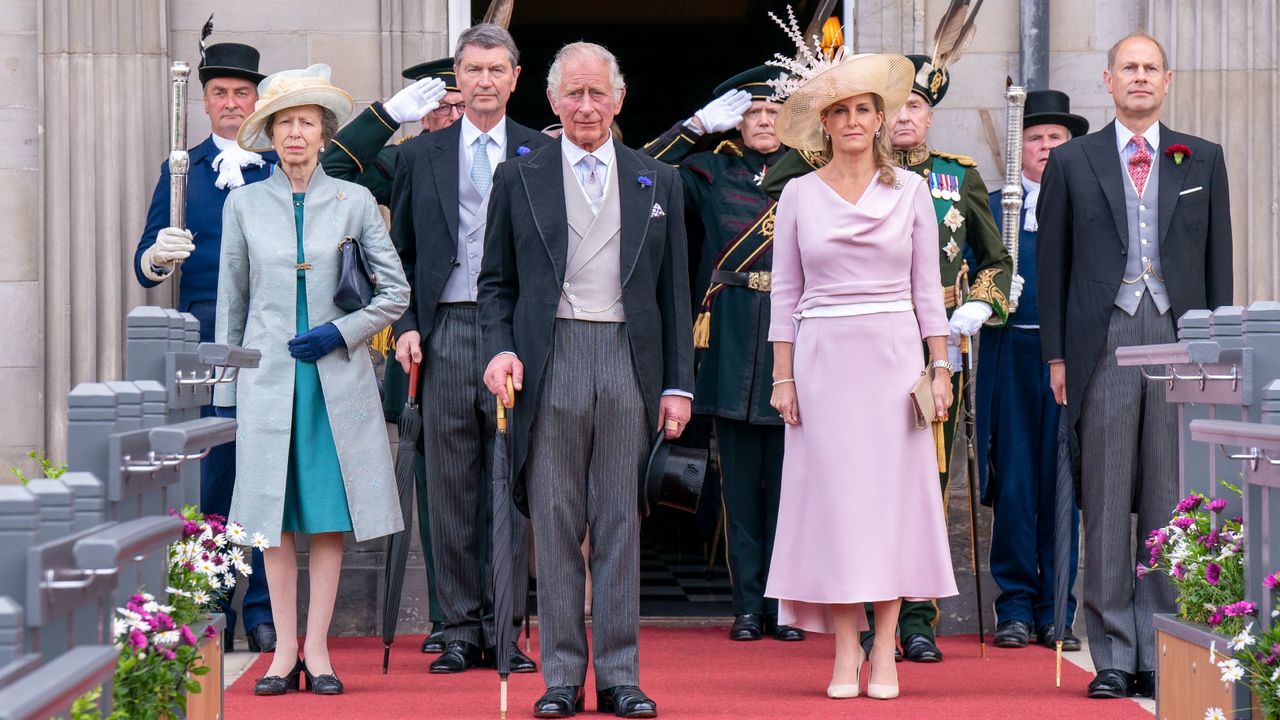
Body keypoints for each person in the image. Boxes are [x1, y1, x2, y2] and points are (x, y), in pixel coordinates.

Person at [764, 52, 1013, 664]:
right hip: (822, 358)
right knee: (838, 505)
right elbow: (786, 292)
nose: (853, 121)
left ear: (881, 119)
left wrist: (940, 367)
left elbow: (928, 290)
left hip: (895, 357)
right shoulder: (797, 192)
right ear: (825, 123)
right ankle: (846, 648)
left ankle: (883, 647)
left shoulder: (915, 191)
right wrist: (782, 375)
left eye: (864, 110)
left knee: (893, 503)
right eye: (841, 111)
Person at [480, 41, 694, 719]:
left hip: (629, 361)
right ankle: (562, 677)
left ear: (619, 99)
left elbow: (676, 294)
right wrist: (499, 349)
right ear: (551, 101)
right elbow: (495, 285)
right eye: (573, 93)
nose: (586, 105)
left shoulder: (656, 179)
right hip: (551, 359)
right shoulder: (519, 178)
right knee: (554, 517)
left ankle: (621, 674)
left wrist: (678, 386)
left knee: (620, 521)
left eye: (598, 92)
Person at [1037, 31, 1233, 700]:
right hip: (1106, 338)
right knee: (1107, 496)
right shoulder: (1074, 162)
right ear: (1109, 80)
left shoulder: (1203, 158)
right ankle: (1113, 651)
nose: (1141, 78)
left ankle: (1161, 646)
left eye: (1151, 68)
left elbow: (1217, 263)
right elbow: (1053, 263)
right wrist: (1058, 354)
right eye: (1130, 68)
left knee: (1167, 501)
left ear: (1167, 80)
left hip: (1179, 336)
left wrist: (1215, 348)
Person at [214, 63, 410, 696]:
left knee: (326, 516)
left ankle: (318, 652)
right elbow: (231, 307)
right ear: (269, 135)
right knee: (272, 517)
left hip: (334, 380)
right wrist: (225, 395)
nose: (295, 134)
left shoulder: (352, 201)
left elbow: (396, 292)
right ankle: (281, 654)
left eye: (306, 123)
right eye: (284, 124)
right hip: (269, 381)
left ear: (324, 134)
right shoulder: (241, 204)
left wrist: (342, 330)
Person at [389, 23, 547, 675]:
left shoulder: (542, 155)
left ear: (514, 78)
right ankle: (456, 627)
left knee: (508, 485)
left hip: (511, 334)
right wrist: (402, 323)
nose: (484, 81)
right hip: (445, 330)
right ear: (459, 77)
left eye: (496, 70)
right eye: (473, 70)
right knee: (449, 484)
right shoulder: (418, 156)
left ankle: (503, 627)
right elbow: (396, 255)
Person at [643, 66, 804, 643]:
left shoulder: (813, 171)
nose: (765, 121)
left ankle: (784, 606)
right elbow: (639, 171)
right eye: (754, 112)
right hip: (733, 338)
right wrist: (693, 127)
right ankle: (745, 606)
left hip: (796, 340)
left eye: (775, 112)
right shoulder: (709, 170)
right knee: (739, 490)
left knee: (791, 491)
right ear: (737, 119)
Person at [133, 37, 276, 654]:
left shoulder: (277, 167)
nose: (231, 103)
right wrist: (159, 255)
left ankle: (267, 608)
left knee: (270, 474)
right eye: (219, 93)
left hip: (270, 342)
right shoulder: (180, 170)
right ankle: (212, 602)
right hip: (206, 340)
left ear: (256, 101)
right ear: (204, 100)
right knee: (212, 476)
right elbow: (145, 267)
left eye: (242, 93)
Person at [321, 55, 461, 656]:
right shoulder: (402, 160)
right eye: (438, 107)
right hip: (421, 338)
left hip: (492, 337)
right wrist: (385, 116)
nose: (451, 117)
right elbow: (332, 165)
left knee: (497, 483)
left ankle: (493, 616)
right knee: (433, 485)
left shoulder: (512, 158)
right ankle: (446, 618)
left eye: (459, 106)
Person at [977, 90, 1088, 653]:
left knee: (1061, 484)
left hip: (1068, 360)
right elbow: (968, 271)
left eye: (1056, 139)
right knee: (1016, 481)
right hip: (1011, 357)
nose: (1046, 147)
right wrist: (987, 293)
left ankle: (1056, 611)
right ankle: (1015, 607)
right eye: (1036, 138)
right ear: (1020, 149)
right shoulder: (995, 206)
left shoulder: (1088, 208)